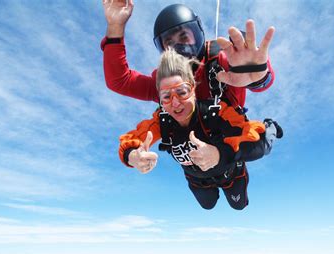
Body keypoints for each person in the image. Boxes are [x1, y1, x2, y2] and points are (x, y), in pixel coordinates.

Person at [118, 49, 282, 210]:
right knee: (208, 205)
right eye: (166, 97)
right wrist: (132, 156)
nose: (175, 104)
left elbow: (255, 137)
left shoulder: (215, 111)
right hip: (196, 179)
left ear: (193, 90)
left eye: (182, 92)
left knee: (239, 205)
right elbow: (133, 139)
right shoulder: (163, 119)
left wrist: (219, 155)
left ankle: (271, 126)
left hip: (229, 172)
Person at [101, 0, 276, 108]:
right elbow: (119, 81)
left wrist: (258, 74)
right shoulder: (166, 84)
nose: (178, 47)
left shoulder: (223, 60)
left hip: (231, 160)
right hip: (193, 165)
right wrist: (116, 27)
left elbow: (259, 81)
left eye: (184, 36)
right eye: (169, 43)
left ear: (198, 32)